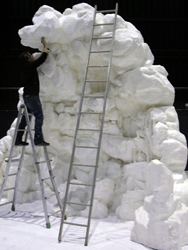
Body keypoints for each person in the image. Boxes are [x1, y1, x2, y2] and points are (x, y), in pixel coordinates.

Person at [15, 37, 49, 146]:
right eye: (30, 56)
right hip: (32, 97)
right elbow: (42, 58)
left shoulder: (25, 68)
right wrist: (44, 46)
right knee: (39, 116)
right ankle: (38, 139)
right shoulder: (29, 67)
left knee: (26, 118)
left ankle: (18, 139)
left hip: (27, 97)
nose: (32, 56)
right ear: (27, 59)